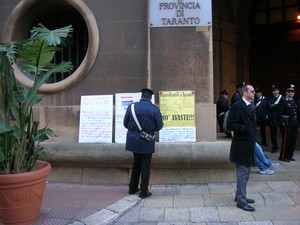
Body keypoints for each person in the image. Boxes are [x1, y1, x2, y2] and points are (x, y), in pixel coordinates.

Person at [123, 88, 163, 199]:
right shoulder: (154, 109)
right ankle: (144, 191)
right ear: (150, 97)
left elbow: (125, 123)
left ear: (141, 96)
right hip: (147, 141)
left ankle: (132, 188)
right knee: (145, 167)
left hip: (133, 141)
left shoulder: (131, 107)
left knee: (136, 164)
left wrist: (135, 131)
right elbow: (159, 126)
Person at [227, 84, 257, 212]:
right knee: (243, 173)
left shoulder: (250, 105)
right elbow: (230, 124)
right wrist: (244, 129)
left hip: (248, 144)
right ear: (245, 92)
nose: (254, 93)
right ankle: (241, 200)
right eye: (252, 91)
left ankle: (240, 195)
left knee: (246, 172)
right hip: (241, 145)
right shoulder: (237, 106)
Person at [279, 84, 300, 162]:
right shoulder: (283, 101)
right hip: (287, 124)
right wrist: (282, 122)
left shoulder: (294, 101)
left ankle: (289, 155)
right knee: (286, 141)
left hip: (294, 123)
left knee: (293, 141)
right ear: (286, 92)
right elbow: (279, 113)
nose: (290, 93)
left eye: (292, 92)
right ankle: (283, 156)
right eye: (289, 92)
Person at [267, 85, 285, 153]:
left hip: (280, 119)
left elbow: (282, 107)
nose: (274, 92)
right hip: (272, 118)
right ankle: (274, 147)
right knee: (273, 134)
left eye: (276, 90)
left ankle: (284, 147)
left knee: (283, 134)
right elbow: (269, 107)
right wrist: (276, 106)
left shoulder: (282, 98)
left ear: (278, 91)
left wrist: (273, 106)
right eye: (273, 91)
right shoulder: (270, 99)